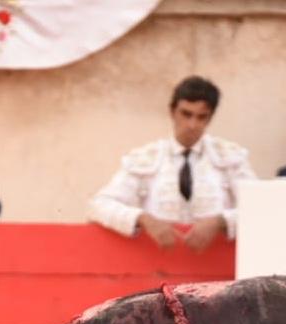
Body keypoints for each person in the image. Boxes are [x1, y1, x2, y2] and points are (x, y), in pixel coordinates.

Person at [89, 75, 256, 252]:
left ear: (210, 118)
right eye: (186, 114)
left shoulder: (231, 158)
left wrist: (221, 221)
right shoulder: (145, 158)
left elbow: (260, 209)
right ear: (172, 112)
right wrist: (144, 219)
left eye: (201, 117)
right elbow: (99, 205)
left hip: (220, 267)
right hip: (156, 266)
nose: (192, 125)